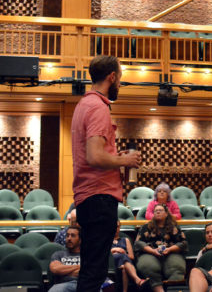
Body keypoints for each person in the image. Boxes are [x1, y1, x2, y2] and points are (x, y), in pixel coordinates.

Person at [71, 55, 142, 292]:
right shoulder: (98, 107)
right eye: (120, 79)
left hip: (88, 198)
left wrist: (115, 156)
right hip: (99, 197)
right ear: (112, 77)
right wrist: (124, 159)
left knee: (91, 268)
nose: (119, 84)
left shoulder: (83, 105)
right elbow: (94, 157)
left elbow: (95, 152)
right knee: (95, 271)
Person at [135, 203, 187, 292]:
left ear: (166, 214)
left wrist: (170, 249)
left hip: (171, 252)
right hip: (150, 252)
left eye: (160, 210)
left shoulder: (174, 227)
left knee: (177, 267)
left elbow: (183, 243)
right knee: (149, 267)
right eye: (156, 211)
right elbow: (139, 243)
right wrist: (152, 251)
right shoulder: (146, 227)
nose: (158, 212)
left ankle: (173, 289)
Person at [111, 221, 147, 292]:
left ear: (119, 227)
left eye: (117, 226)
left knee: (124, 268)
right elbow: (104, 254)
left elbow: (131, 256)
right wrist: (114, 250)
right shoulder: (106, 241)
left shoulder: (125, 239)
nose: (115, 228)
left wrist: (123, 252)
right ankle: (137, 280)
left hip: (124, 263)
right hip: (111, 262)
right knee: (122, 256)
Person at [48, 226, 81, 292]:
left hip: (85, 283)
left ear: (80, 240)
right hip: (63, 284)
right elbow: (55, 269)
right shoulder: (58, 254)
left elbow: (93, 271)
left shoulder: (88, 255)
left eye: (73, 236)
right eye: (67, 235)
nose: (69, 238)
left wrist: (64, 271)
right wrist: (80, 267)